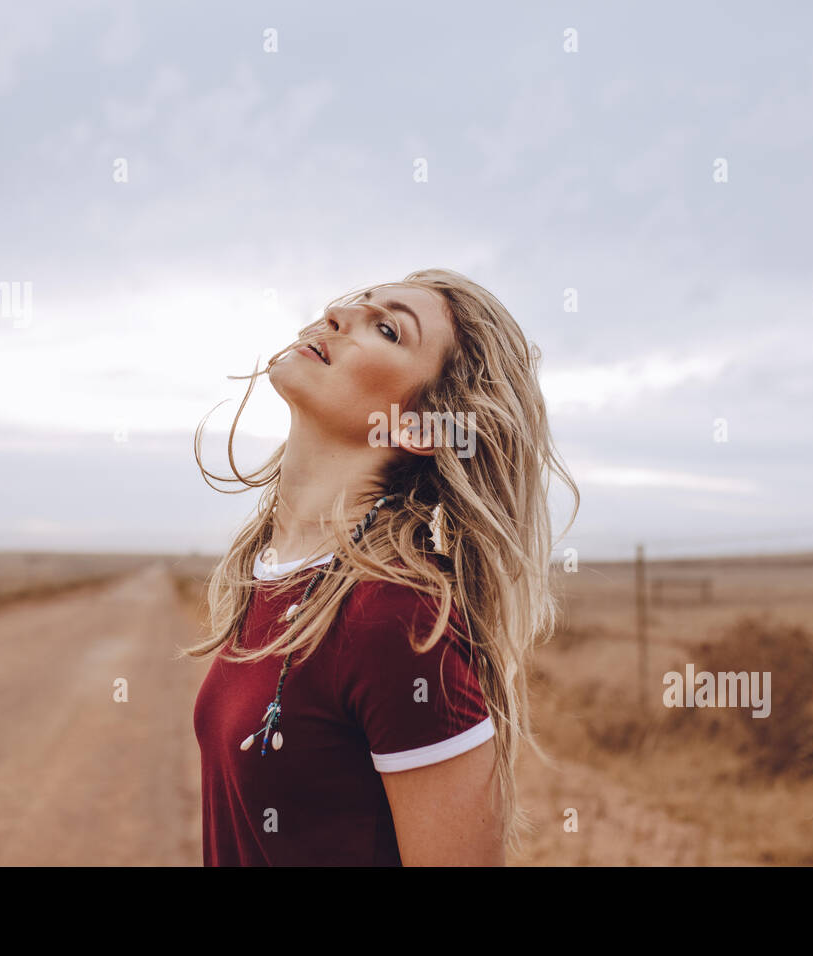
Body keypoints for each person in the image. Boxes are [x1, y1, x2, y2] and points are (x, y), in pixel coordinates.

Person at [180, 267, 578, 865]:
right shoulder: (273, 576)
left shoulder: (398, 621)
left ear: (418, 427)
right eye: (352, 304)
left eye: (388, 329)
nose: (337, 316)